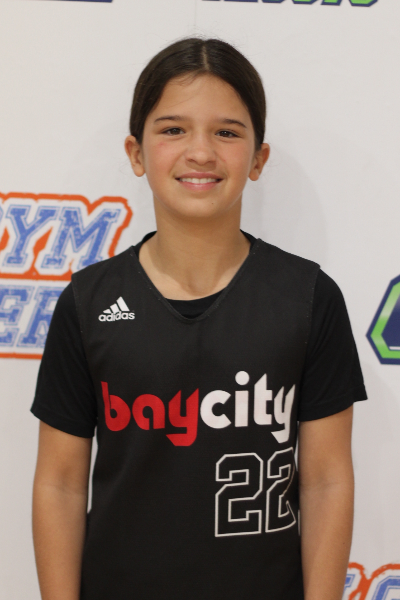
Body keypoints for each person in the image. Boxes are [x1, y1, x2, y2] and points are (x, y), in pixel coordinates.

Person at [31, 37, 367, 600]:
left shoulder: (308, 298)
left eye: (227, 133)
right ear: (136, 153)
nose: (201, 152)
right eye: (173, 129)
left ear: (258, 158)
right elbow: (60, 483)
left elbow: (328, 481)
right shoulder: (89, 302)